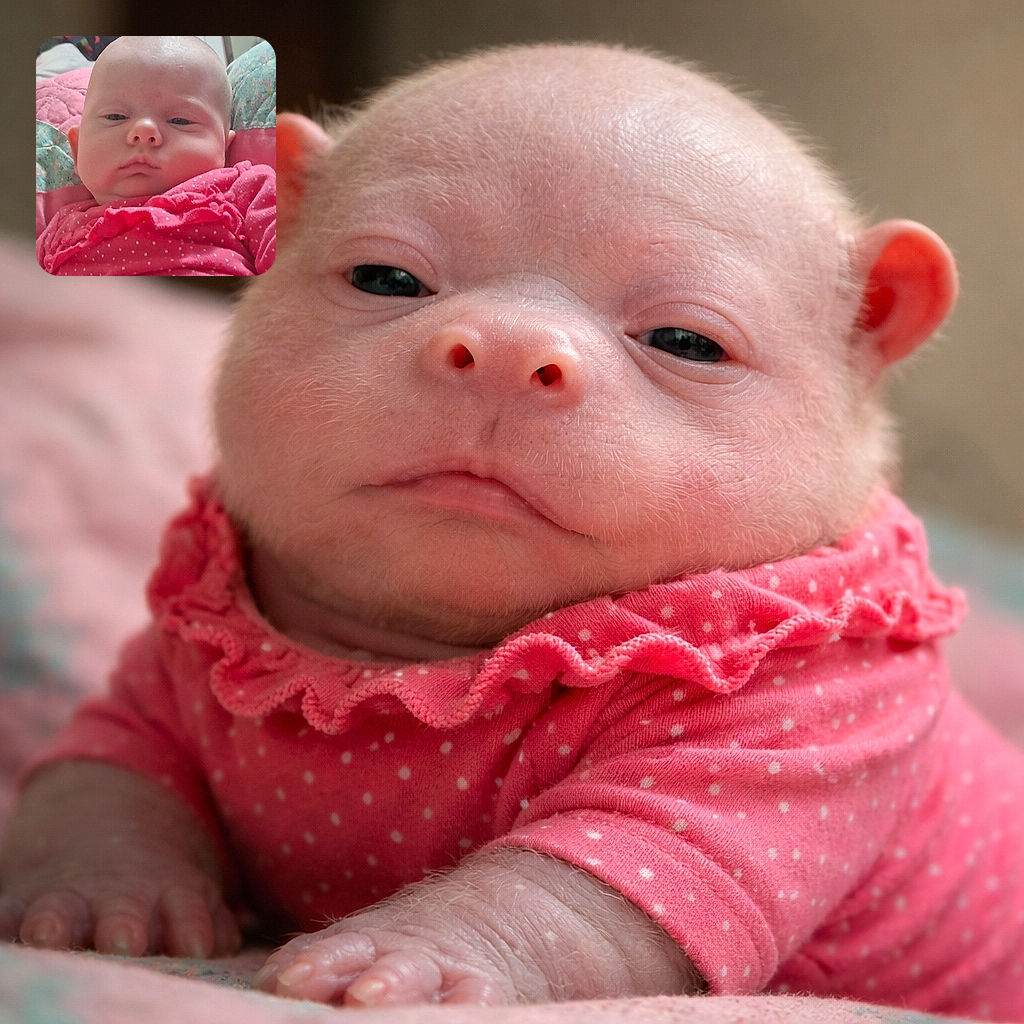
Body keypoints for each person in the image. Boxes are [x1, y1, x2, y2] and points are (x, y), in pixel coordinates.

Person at [5, 44, 1023, 1015]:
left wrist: (487, 945)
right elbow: (143, 739)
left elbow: (657, 866)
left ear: (870, 325)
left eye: (682, 339)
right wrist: (105, 848)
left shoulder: (809, 682)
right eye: (389, 278)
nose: (503, 349)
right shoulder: (227, 601)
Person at [36, 36, 274, 275]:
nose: (143, 131)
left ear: (224, 149)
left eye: (179, 120)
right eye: (115, 117)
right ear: (76, 152)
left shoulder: (247, 190)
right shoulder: (57, 228)